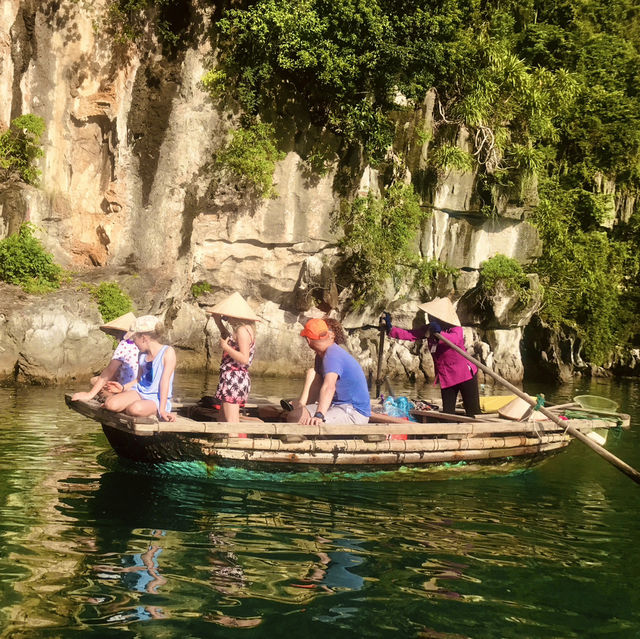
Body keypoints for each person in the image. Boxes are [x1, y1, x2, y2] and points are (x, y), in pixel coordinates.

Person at [384, 297, 481, 417]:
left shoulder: (455, 329)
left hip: (465, 374)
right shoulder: (430, 329)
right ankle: (449, 431)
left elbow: (454, 340)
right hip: (447, 376)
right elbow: (411, 334)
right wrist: (391, 329)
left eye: (432, 316)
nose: (429, 317)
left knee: (473, 411)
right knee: (448, 413)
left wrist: (440, 333)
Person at [288, 318, 371, 425]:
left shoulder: (332, 354)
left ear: (308, 340)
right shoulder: (320, 356)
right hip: (336, 406)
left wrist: (319, 415)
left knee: (305, 422)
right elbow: (316, 386)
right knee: (295, 416)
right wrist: (303, 409)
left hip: (353, 413)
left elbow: (329, 387)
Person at [103, 315, 176, 422]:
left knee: (134, 409)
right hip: (139, 392)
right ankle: (128, 406)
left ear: (143, 338)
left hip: (156, 397)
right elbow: (138, 379)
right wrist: (122, 388)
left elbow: (165, 381)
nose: (133, 342)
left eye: (134, 339)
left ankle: (153, 410)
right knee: (110, 404)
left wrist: (162, 409)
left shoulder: (168, 352)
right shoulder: (141, 354)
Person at [209, 292, 259, 424]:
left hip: (234, 379)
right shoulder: (244, 329)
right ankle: (222, 441)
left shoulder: (242, 331)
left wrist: (226, 348)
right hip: (232, 378)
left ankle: (235, 442)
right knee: (222, 419)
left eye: (227, 316)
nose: (226, 318)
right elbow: (226, 335)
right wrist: (218, 321)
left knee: (231, 423)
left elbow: (244, 358)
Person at [71, 312, 139, 402]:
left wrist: (90, 394)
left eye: (117, 334)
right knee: (95, 380)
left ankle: (110, 398)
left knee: (95, 381)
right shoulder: (143, 345)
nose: (115, 337)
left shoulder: (125, 344)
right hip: (138, 389)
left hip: (127, 389)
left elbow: (109, 371)